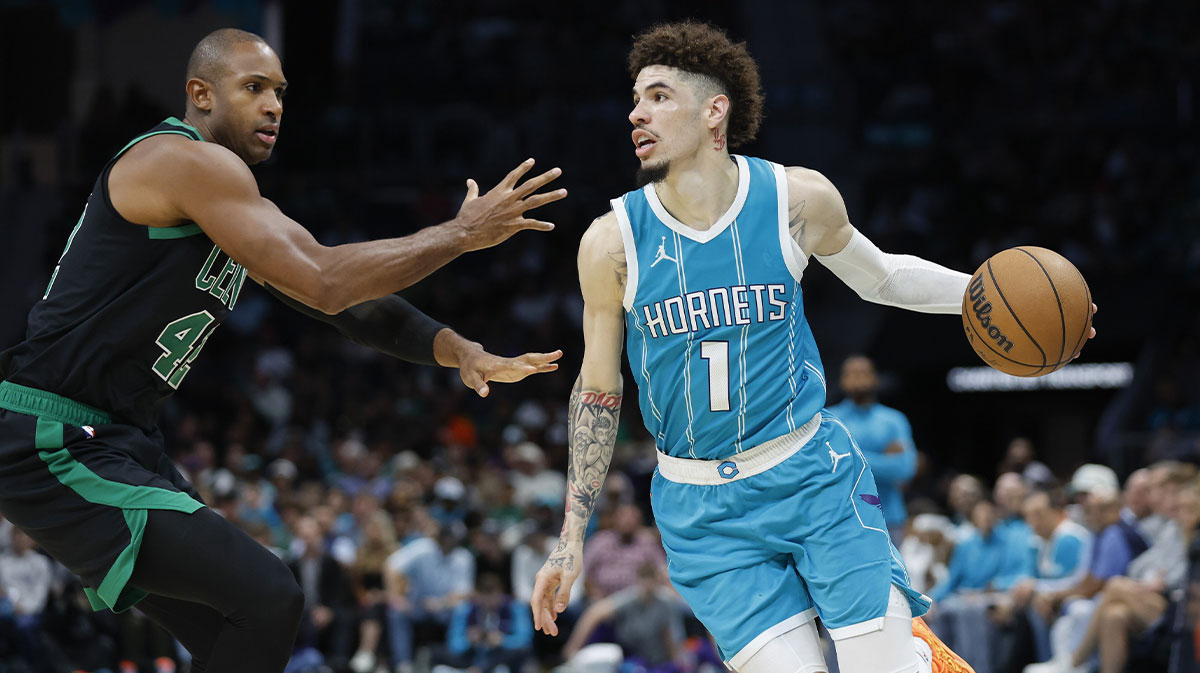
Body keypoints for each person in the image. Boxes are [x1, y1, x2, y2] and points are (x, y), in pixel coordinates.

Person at [531, 21, 1095, 673]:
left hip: (809, 472)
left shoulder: (795, 199)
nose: (637, 111)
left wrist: (995, 295)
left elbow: (881, 276)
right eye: (635, 98)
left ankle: (908, 656)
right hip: (701, 511)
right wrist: (570, 536)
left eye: (658, 95)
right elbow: (598, 389)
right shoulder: (610, 242)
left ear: (715, 110)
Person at [0, 28, 564, 673]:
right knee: (267, 596)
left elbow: (348, 304)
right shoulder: (184, 161)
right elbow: (325, 281)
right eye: (254, 88)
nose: (274, 105)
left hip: (117, 435)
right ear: (200, 94)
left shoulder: (229, 199)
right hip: (52, 429)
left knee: (231, 628)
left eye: (280, 92)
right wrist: (461, 233)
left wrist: (456, 349)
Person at [829, 355, 918, 543]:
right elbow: (829, 467)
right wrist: (882, 458)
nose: (859, 379)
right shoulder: (830, 421)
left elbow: (905, 468)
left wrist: (850, 455)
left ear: (875, 379)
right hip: (843, 518)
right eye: (852, 374)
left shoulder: (894, 420)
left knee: (891, 573)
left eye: (864, 373)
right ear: (842, 381)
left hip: (889, 518)